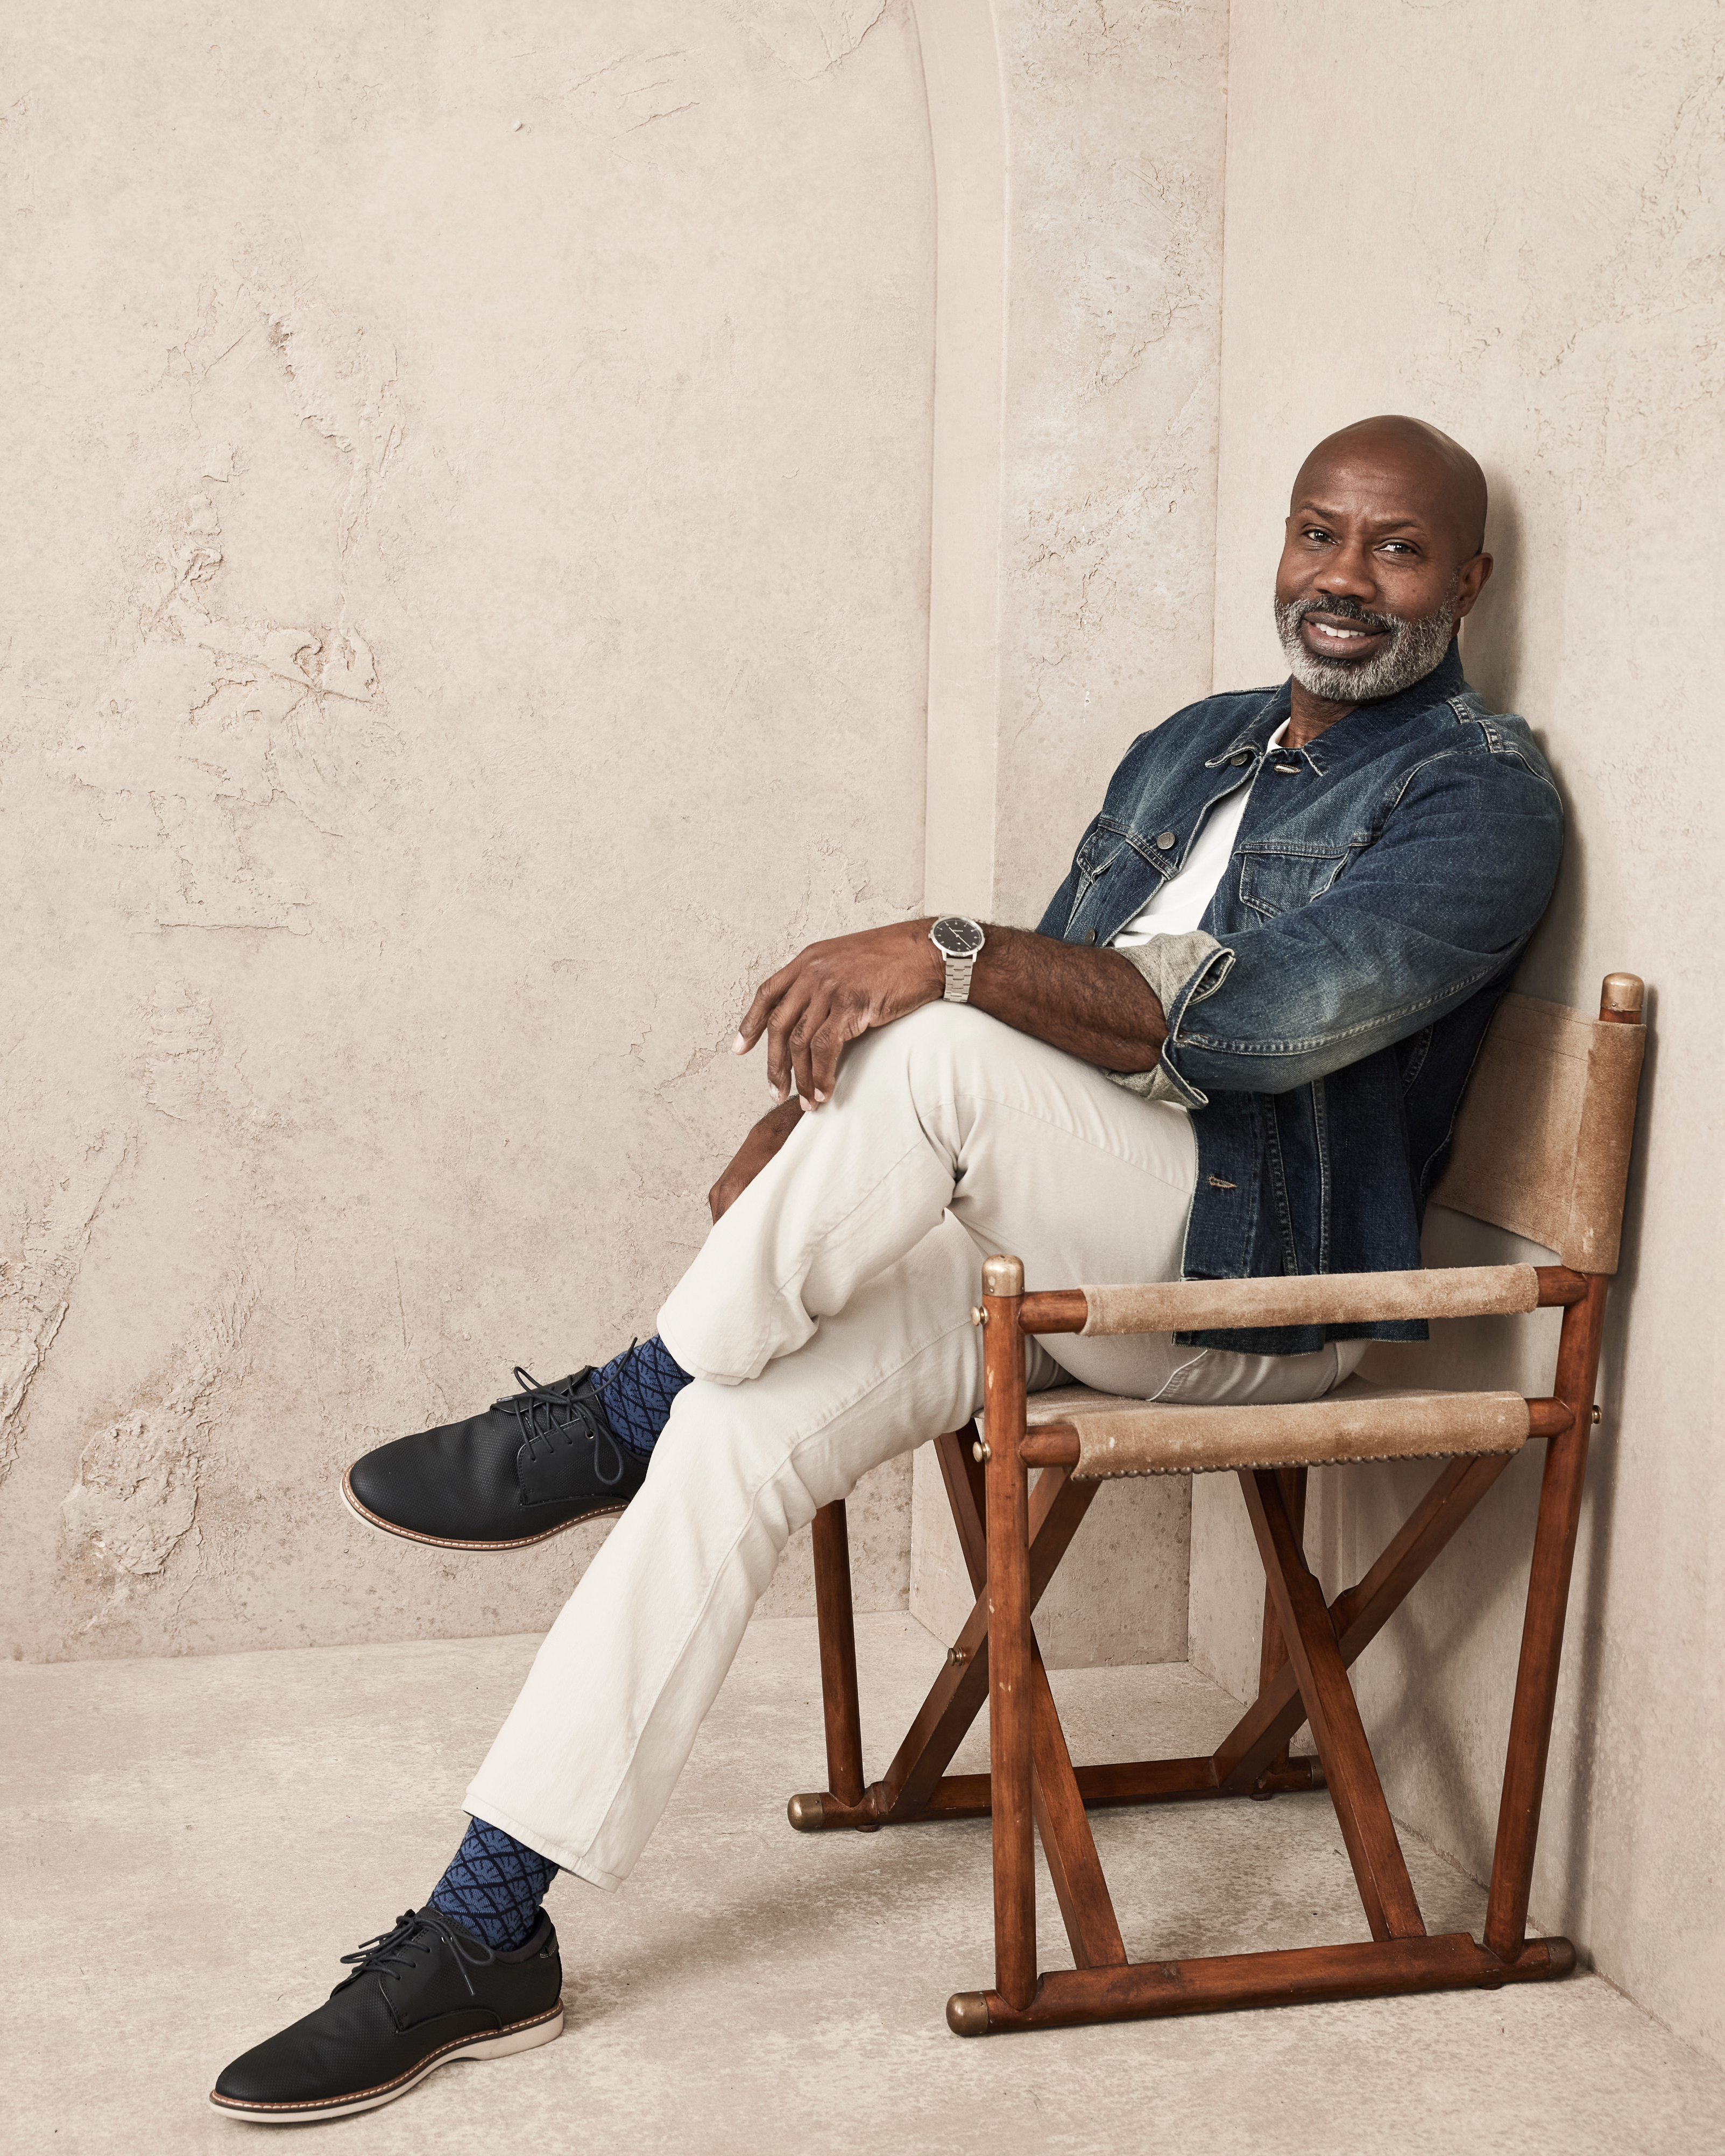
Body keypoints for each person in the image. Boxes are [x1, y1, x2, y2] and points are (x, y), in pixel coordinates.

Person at [209, 416, 1564, 2122]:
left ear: (1470, 582)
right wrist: (834, 1132)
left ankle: (627, 1396)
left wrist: (933, 981)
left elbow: (1257, 1035)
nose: (1344, 581)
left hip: (1257, 1290)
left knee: (922, 1042)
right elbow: (1049, 1009)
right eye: (1319, 535)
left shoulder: (1480, 795)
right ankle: (488, 1927)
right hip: (1069, 1266)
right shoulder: (1194, 749)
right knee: (741, 1427)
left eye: (1396, 549)